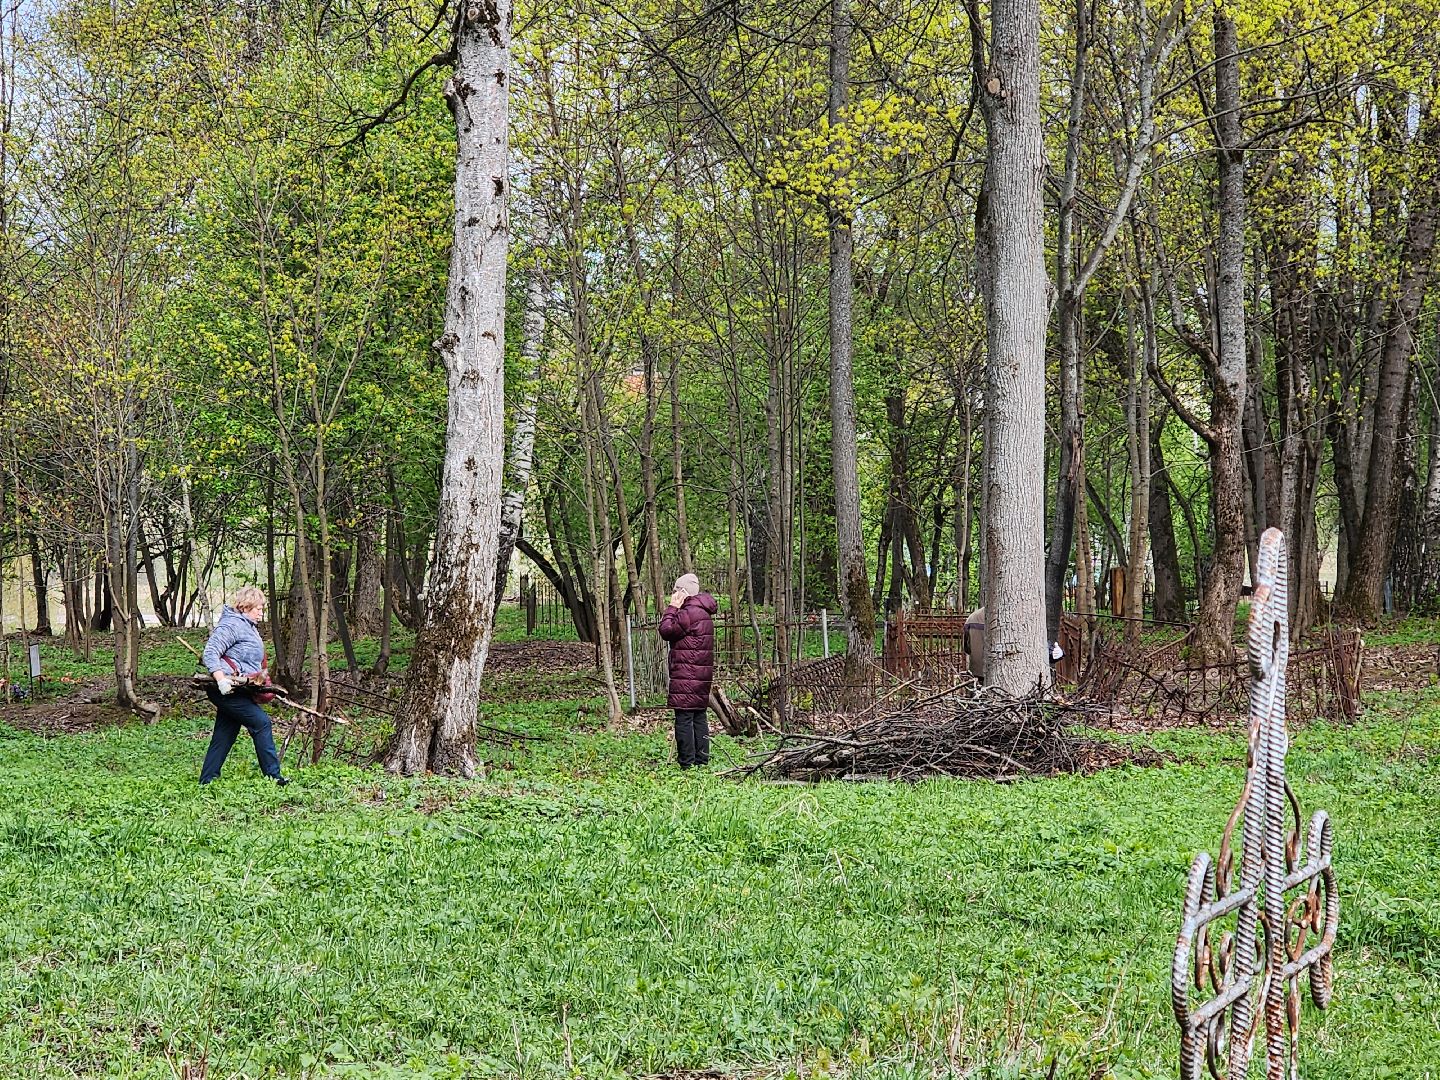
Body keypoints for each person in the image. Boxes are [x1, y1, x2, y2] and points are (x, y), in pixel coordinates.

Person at [199, 586, 287, 786]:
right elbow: (210, 652)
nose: (261, 613)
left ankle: (207, 779)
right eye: (258, 608)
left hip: (239, 689)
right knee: (261, 723)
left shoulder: (248, 626)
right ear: (246, 607)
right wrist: (221, 680)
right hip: (226, 689)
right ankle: (274, 777)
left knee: (225, 732)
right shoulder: (232, 625)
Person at [658, 573, 717, 769]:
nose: (673, 594)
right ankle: (702, 761)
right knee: (699, 716)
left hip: (686, 674)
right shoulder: (704, 612)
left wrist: (672, 608)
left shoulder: (688, 613)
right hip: (701, 676)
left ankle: (687, 763)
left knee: (684, 718)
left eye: (676, 591)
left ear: (683, 592)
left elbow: (666, 630)